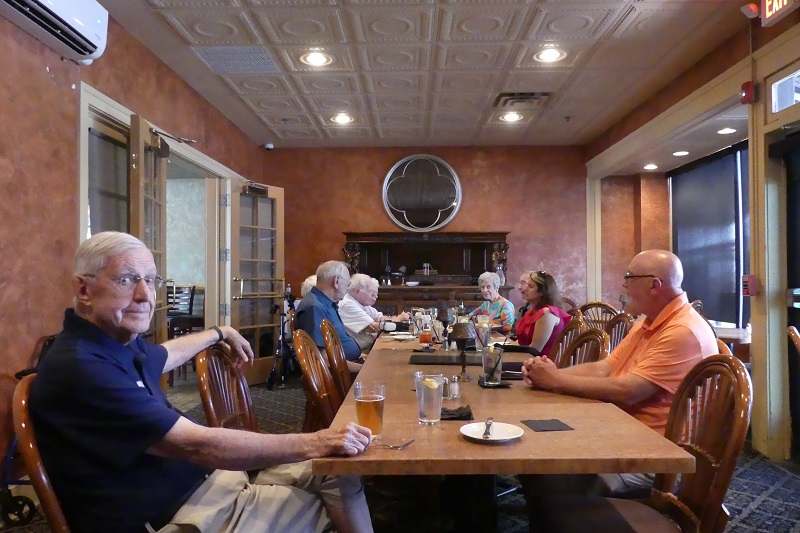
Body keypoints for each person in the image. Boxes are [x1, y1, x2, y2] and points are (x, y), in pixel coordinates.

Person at [30, 232, 374, 533]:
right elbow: (198, 445)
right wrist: (318, 441)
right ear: (83, 289)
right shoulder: (83, 367)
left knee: (339, 472)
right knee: (322, 499)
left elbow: (165, 354)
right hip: (176, 517)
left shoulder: (112, 342)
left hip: (207, 483)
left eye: (151, 280)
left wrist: (218, 333)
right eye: (126, 280)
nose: (145, 295)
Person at [521, 250, 718, 498]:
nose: (623, 283)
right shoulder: (649, 321)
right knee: (535, 447)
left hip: (656, 457)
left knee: (542, 466)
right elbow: (604, 368)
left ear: (653, 285)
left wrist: (555, 380)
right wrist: (550, 375)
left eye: (629, 276)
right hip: (625, 432)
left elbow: (629, 392)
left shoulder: (682, 330)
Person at [296, 260, 363, 372]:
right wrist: (363, 369)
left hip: (349, 364)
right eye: (348, 283)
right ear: (336, 281)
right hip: (341, 375)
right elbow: (323, 359)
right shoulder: (314, 307)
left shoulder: (325, 303)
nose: (348, 288)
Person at [338, 274, 410, 352]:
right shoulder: (347, 304)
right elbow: (376, 328)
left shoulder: (362, 303)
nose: (375, 296)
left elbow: (382, 318)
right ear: (358, 291)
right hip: (361, 352)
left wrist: (383, 322)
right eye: (370, 291)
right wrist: (400, 318)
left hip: (370, 347)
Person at [514, 271, 572, 355]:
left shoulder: (547, 314)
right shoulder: (534, 310)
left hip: (543, 362)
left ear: (542, 292)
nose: (524, 289)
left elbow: (535, 350)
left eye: (530, 286)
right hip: (531, 357)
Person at [509, 271, 531, 338]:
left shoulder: (544, 312)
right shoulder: (524, 308)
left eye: (523, 283)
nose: (519, 287)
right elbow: (513, 333)